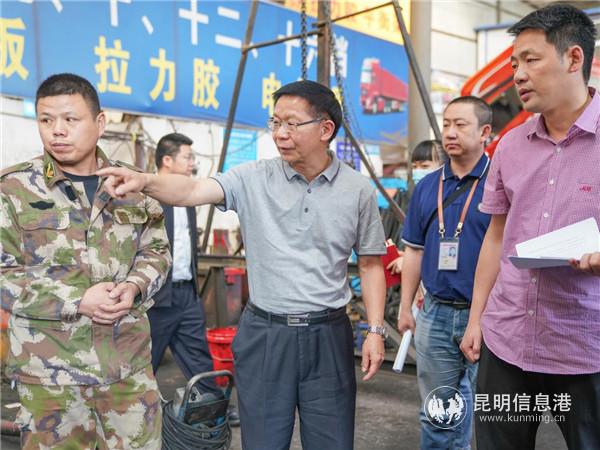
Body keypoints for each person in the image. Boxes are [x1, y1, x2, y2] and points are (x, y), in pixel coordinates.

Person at [97, 79, 387, 450]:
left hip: (327, 336)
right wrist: (145, 181)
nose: (280, 133)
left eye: (291, 123)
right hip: (265, 334)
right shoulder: (253, 177)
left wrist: (375, 330)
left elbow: (371, 264)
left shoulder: (358, 190)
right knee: (263, 441)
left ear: (325, 129)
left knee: (332, 441)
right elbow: (192, 190)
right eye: (275, 122)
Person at [0, 73, 171, 449]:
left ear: (100, 122)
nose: (57, 131)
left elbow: (157, 251)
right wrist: (77, 301)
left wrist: (134, 285)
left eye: (70, 119)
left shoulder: (131, 185)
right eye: (46, 120)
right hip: (50, 378)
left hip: (127, 370)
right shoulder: (13, 189)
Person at [460, 5, 600, 449]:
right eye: (514, 63)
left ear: (574, 58)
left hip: (586, 346)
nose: (518, 75)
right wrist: (477, 319)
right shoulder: (510, 146)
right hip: (507, 341)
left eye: (531, 60)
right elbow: (497, 236)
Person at [398, 96, 493, 449]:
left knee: (491, 413)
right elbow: (414, 250)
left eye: (460, 125)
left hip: (488, 315)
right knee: (437, 412)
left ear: (485, 132)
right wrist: (405, 306)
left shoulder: (499, 183)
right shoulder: (428, 186)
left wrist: (479, 319)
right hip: (435, 313)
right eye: (446, 124)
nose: (450, 132)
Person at [149, 132, 239, 425]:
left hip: (186, 293)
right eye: (187, 157)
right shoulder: (147, 196)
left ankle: (214, 409)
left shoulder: (188, 196)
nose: (192, 163)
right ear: (167, 160)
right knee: (143, 359)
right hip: (156, 296)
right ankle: (130, 415)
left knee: (198, 355)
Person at [387, 139, 445, 276]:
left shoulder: (448, 202)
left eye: (424, 166)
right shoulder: (416, 200)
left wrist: (409, 262)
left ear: (444, 166)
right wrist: (408, 257)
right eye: (414, 167)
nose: (418, 171)